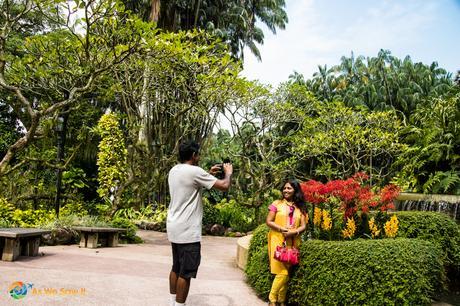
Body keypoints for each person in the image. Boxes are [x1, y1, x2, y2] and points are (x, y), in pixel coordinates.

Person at [167, 140, 233, 306]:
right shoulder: (195, 172)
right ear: (194, 155)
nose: (199, 157)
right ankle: (179, 305)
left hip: (174, 226)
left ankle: (171, 302)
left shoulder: (174, 170)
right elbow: (224, 186)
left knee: (176, 266)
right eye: (199, 154)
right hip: (188, 230)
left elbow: (190, 186)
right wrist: (228, 173)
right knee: (186, 272)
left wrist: (208, 173)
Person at [266, 179, 308, 306]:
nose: (286, 190)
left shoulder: (300, 207)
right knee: (282, 272)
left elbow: (303, 226)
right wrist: (281, 229)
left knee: (287, 273)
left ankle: (281, 300)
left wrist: (294, 232)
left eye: (289, 188)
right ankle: (272, 299)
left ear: (295, 190)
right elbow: (268, 221)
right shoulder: (276, 204)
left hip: (293, 242)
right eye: (284, 188)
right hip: (277, 240)